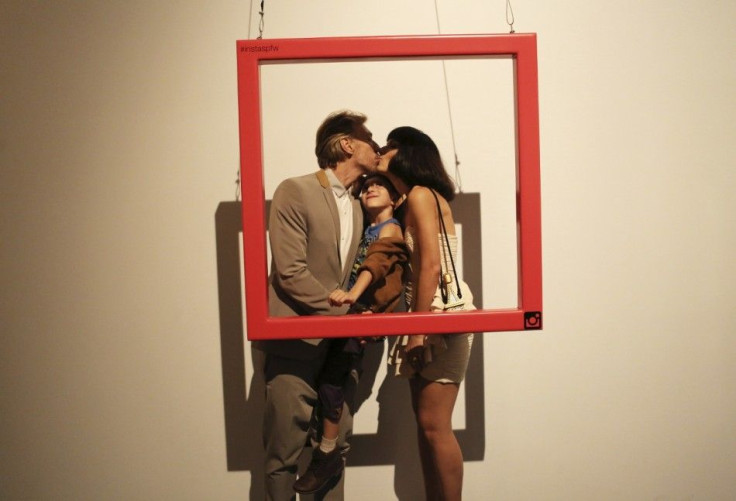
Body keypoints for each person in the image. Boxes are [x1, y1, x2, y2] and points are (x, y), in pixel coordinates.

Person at [255, 110, 380, 500]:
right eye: (370, 140)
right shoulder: (295, 190)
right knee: (283, 455)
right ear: (347, 144)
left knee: (334, 451)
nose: (376, 148)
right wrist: (348, 317)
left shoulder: (363, 205)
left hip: (340, 352)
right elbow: (290, 273)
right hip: (296, 346)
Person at [294, 172, 410, 495]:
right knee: (325, 376)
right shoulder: (367, 227)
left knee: (333, 380)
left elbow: (376, 264)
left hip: (362, 316)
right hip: (351, 315)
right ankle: (320, 442)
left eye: (381, 186)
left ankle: (327, 453)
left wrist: (352, 295)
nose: (371, 188)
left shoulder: (389, 230)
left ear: (397, 199)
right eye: (368, 185)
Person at [379, 126, 476, 501]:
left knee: (435, 426)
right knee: (427, 426)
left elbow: (431, 267)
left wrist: (417, 330)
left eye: (389, 146)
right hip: (426, 317)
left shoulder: (420, 195)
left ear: (406, 153)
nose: (382, 151)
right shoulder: (411, 199)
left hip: (436, 318)